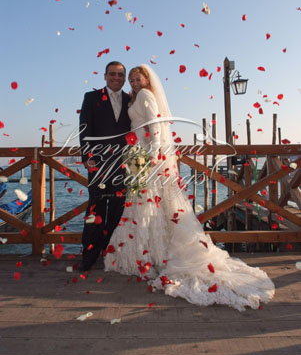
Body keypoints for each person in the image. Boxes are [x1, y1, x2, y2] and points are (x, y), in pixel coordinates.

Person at [104, 64, 275, 311]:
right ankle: (151, 253)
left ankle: (150, 254)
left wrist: (151, 156)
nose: (134, 82)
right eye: (131, 79)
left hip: (146, 158)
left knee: (145, 205)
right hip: (138, 155)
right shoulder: (138, 96)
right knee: (145, 206)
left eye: (137, 78)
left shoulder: (145, 95)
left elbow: (156, 126)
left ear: (147, 78)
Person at [79, 61, 131, 271]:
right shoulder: (91, 98)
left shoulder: (131, 100)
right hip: (98, 164)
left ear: (124, 78)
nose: (116, 78)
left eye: (120, 75)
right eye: (112, 74)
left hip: (123, 165)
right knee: (95, 208)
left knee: (118, 212)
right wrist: (86, 155)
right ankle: (89, 256)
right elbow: (84, 127)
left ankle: (111, 254)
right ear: (105, 76)